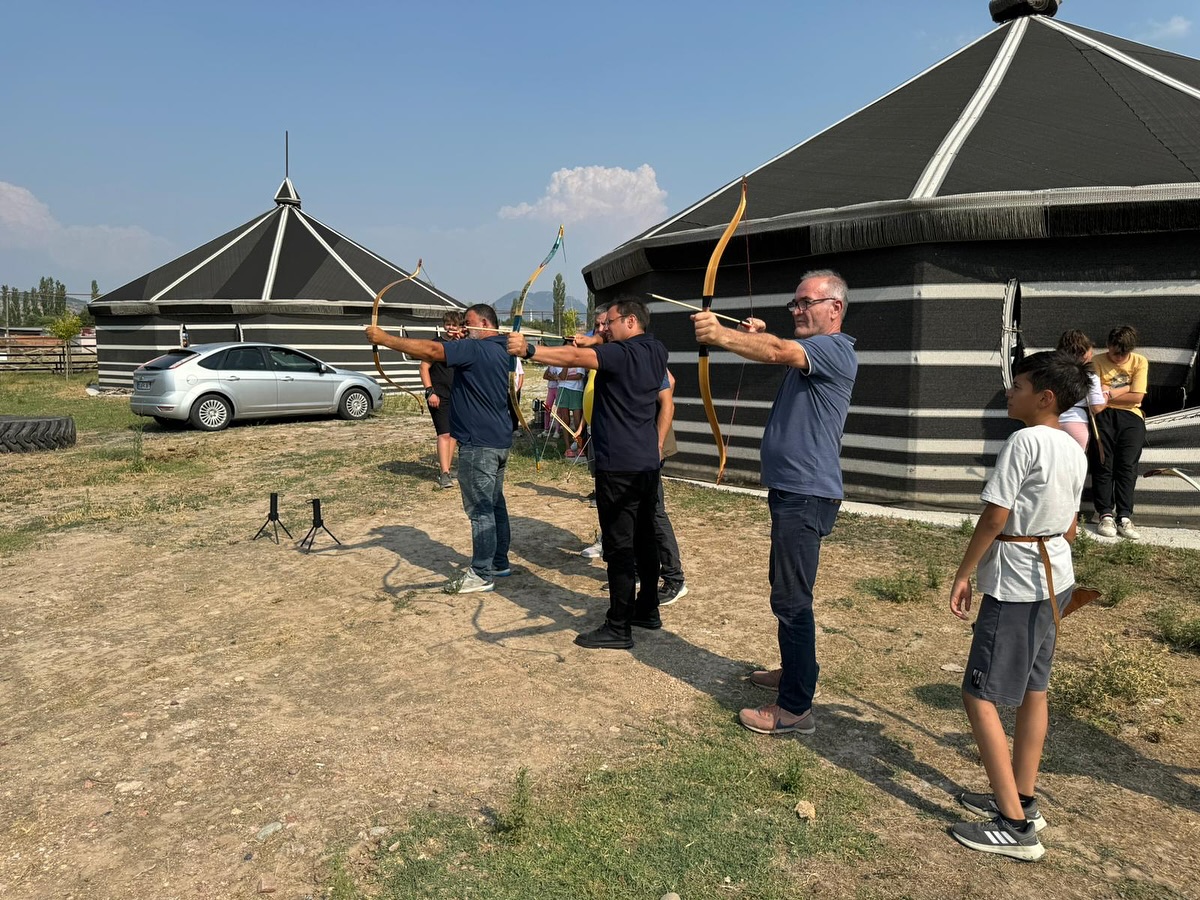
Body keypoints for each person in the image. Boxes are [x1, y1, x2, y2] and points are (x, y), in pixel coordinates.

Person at [693, 270, 857, 735]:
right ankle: (793, 671)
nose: (798, 309)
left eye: (807, 302)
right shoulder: (815, 354)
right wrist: (762, 338)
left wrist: (719, 334)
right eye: (795, 303)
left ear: (835, 309)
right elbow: (780, 350)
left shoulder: (836, 350)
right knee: (785, 592)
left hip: (806, 495)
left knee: (791, 600)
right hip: (794, 492)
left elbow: (779, 352)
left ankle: (795, 706)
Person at [947, 350, 1090, 861]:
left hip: (1019, 582)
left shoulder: (1024, 441)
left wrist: (964, 573)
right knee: (1034, 687)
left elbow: (994, 517)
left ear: (1045, 398)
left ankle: (1014, 826)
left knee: (977, 693)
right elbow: (1071, 523)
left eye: (1019, 385)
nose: (1010, 392)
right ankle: (1023, 797)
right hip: (1056, 575)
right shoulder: (1075, 446)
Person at [508, 297, 667, 649]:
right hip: (644, 462)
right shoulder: (655, 349)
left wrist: (530, 349)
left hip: (618, 465)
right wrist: (593, 339)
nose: (603, 328)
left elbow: (574, 359)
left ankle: (619, 626)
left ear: (629, 321)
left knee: (619, 545)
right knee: (643, 539)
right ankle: (648, 610)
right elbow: (595, 346)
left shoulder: (619, 355)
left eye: (608, 323)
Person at [366, 304, 513, 594]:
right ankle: (499, 561)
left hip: (479, 443)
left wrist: (384, 340)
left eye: (468, 324)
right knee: (495, 503)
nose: (462, 329)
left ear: (484, 323)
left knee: (481, 508)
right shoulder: (501, 348)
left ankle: (482, 573)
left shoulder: (476, 348)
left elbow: (433, 352)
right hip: (498, 440)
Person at [1090, 325, 1149, 540]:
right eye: (1115, 353)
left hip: (1132, 417)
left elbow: (1138, 398)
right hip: (1103, 416)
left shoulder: (1139, 361)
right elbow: (1096, 401)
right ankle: (1105, 512)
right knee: (1103, 463)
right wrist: (1129, 388)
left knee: (1127, 466)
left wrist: (1112, 392)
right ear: (1108, 346)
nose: (1118, 358)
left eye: (1124, 354)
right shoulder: (1097, 361)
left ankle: (1124, 515)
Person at [421, 311, 465, 489]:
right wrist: (430, 391)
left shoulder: (461, 345)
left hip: (456, 395)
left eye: (454, 325)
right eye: (448, 324)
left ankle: (448, 467)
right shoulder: (436, 344)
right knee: (444, 433)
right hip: (438, 395)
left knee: (454, 433)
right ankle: (444, 473)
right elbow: (423, 368)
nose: (451, 328)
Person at [654, 369, 687, 606]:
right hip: (632, 447)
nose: (604, 329)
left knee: (655, 511)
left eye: (606, 327)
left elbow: (670, 383)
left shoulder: (646, 350)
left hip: (648, 445)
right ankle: (639, 569)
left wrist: (657, 441)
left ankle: (674, 578)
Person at [1054, 330, 1106, 453]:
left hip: (1048, 421)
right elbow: (1096, 407)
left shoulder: (1049, 371)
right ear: (1083, 353)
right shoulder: (1088, 374)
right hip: (1075, 422)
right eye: (1090, 352)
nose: (1092, 355)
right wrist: (1107, 393)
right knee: (1074, 466)